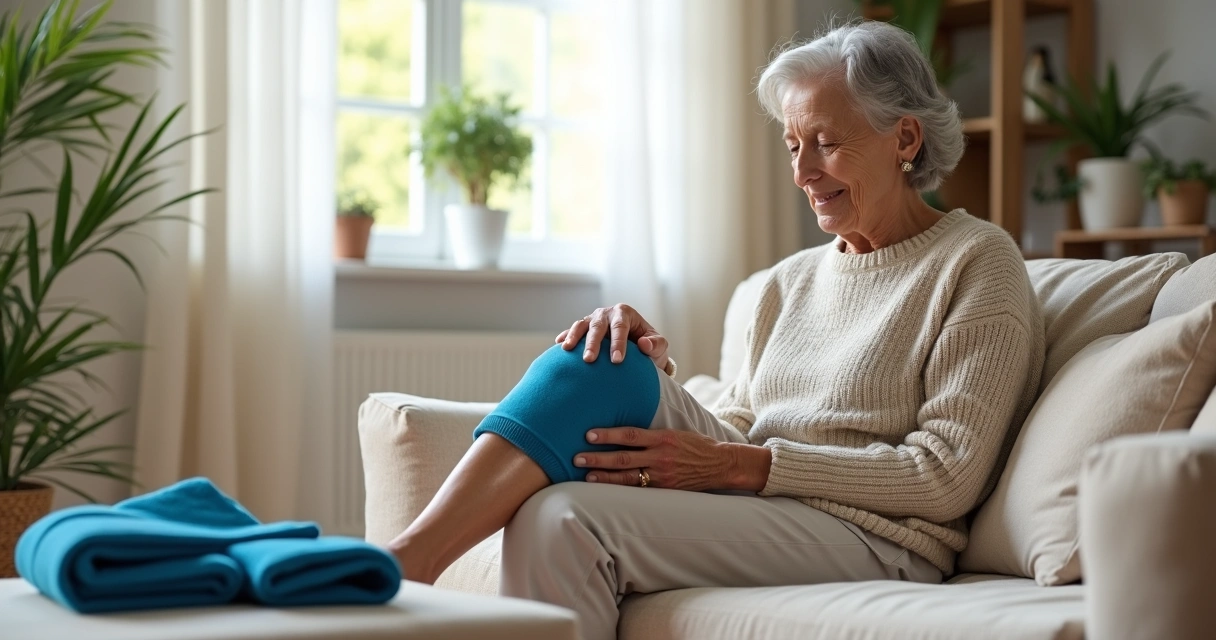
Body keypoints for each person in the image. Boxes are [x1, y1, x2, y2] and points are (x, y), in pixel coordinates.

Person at [387, 20, 1044, 640]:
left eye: (825, 142)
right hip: (767, 499)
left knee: (562, 518)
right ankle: (409, 558)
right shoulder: (786, 282)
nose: (802, 173)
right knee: (603, 357)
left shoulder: (976, 261)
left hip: (880, 535)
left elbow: (944, 475)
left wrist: (742, 465)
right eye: (794, 146)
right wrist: (650, 377)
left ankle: (403, 569)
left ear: (905, 139)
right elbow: (738, 424)